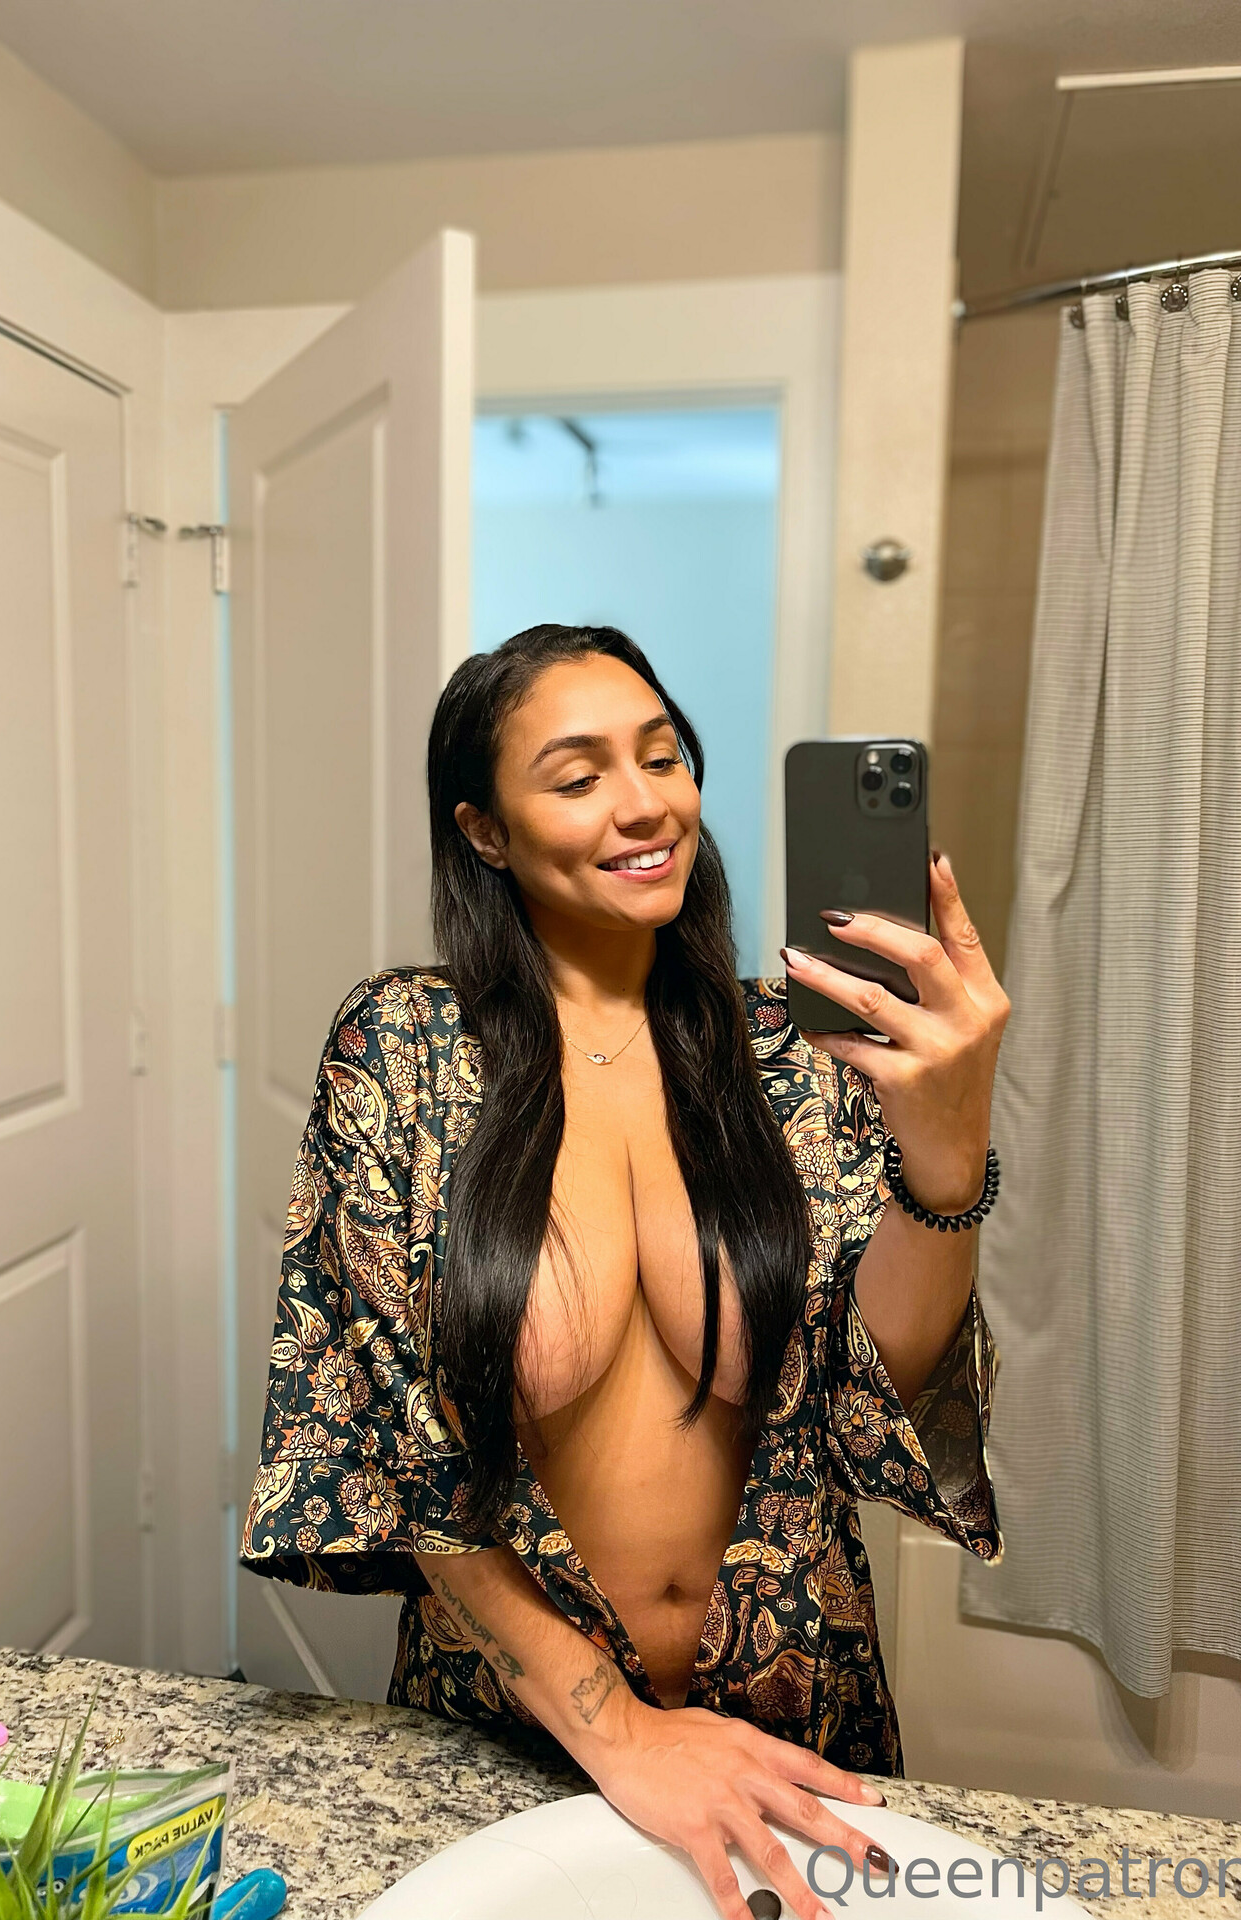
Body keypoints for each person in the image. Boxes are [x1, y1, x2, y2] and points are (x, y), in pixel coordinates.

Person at [242, 624, 1007, 1920]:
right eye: (579, 774)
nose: (645, 803)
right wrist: (621, 1730)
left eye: (662, 757)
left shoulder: (794, 1048)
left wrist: (946, 1160)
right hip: (510, 1733)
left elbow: (878, 1391)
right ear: (485, 831)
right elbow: (395, 1455)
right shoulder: (404, 1049)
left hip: (794, 1723)